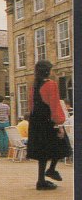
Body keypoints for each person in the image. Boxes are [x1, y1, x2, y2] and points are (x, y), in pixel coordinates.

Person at [27, 59, 71, 190]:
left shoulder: (34, 86)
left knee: (42, 152)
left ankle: (41, 180)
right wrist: (59, 124)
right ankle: (51, 170)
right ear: (48, 71)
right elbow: (54, 105)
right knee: (63, 146)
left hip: (36, 121)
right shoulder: (51, 85)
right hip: (48, 120)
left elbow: (31, 105)